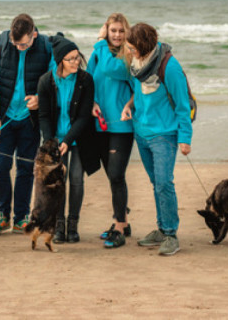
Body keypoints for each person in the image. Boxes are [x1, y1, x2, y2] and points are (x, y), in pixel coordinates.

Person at [121, 23, 193, 256]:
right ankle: (162, 229)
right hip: (141, 132)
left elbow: (182, 105)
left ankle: (171, 234)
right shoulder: (136, 63)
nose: (130, 51)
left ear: (143, 46)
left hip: (164, 134)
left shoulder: (169, 66)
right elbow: (137, 91)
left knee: (164, 182)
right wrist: (128, 106)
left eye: (132, 48)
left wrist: (185, 138)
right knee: (156, 183)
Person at [0, 14, 55, 235]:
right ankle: (2, 216)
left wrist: (41, 99)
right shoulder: (0, 43)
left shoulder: (45, 46)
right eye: (16, 44)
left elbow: (54, 79)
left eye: (23, 44)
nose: (19, 48)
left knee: (25, 168)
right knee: (0, 167)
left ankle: (21, 217)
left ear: (34, 34)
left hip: (29, 121)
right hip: (2, 119)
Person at [37, 34, 99, 243]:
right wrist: (52, 143)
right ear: (60, 61)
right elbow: (43, 116)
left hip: (79, 138)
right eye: (70, 59)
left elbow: (83, 117)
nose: (76, 62)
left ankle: (73, 224)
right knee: (58, 182)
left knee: (76, 180)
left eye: (77, 57)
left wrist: (67, 140)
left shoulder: (85, 80)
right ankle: (59, 224)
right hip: (56, 140)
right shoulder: (46, 81)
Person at [87, 13, 135, 249]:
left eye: (120, 31)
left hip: (122, 125)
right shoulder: (98, 54)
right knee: (112, 177)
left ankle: (119, 227)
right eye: (112, 30)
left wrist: (99, 41)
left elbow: (113, 70)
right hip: (100, 123)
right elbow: (90, 81)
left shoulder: (129, 55)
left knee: (116, 175)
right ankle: (122, 221)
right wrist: (93, 103)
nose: (116, 35)